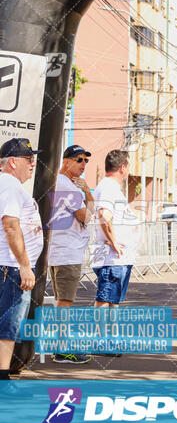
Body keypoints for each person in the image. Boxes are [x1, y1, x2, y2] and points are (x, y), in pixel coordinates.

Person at [47, 144, 94, 365]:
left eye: (86, 160)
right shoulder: (68, 186)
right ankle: (62, 349)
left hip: (60, 250)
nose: (83, 164)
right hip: (67, 252)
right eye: (79, 160)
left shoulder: (60, 183)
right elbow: (86, 217)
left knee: (61, 301)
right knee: (64, 302)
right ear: (66, 161)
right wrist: (87, 192)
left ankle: (60, 346)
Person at [0, 138, 43, 380]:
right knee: (8, 324)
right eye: (28, 159)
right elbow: (10, 225)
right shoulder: (10, 185)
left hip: (7, 265)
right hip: (11, 267)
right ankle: (3, 377)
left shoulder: (7, 184)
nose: (33, 163)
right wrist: (25, 266)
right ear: (13, 162)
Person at [92, 150, 140, 310]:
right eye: (128, 165)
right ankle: (102, 335)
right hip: (112, 259)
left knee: (113, 301)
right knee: (105, 299)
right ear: (122, 167)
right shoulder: (108, 187)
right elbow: (104, 216)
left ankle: (112, 335)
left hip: (118, 259)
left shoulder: (111, 188)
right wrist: (114, 242)